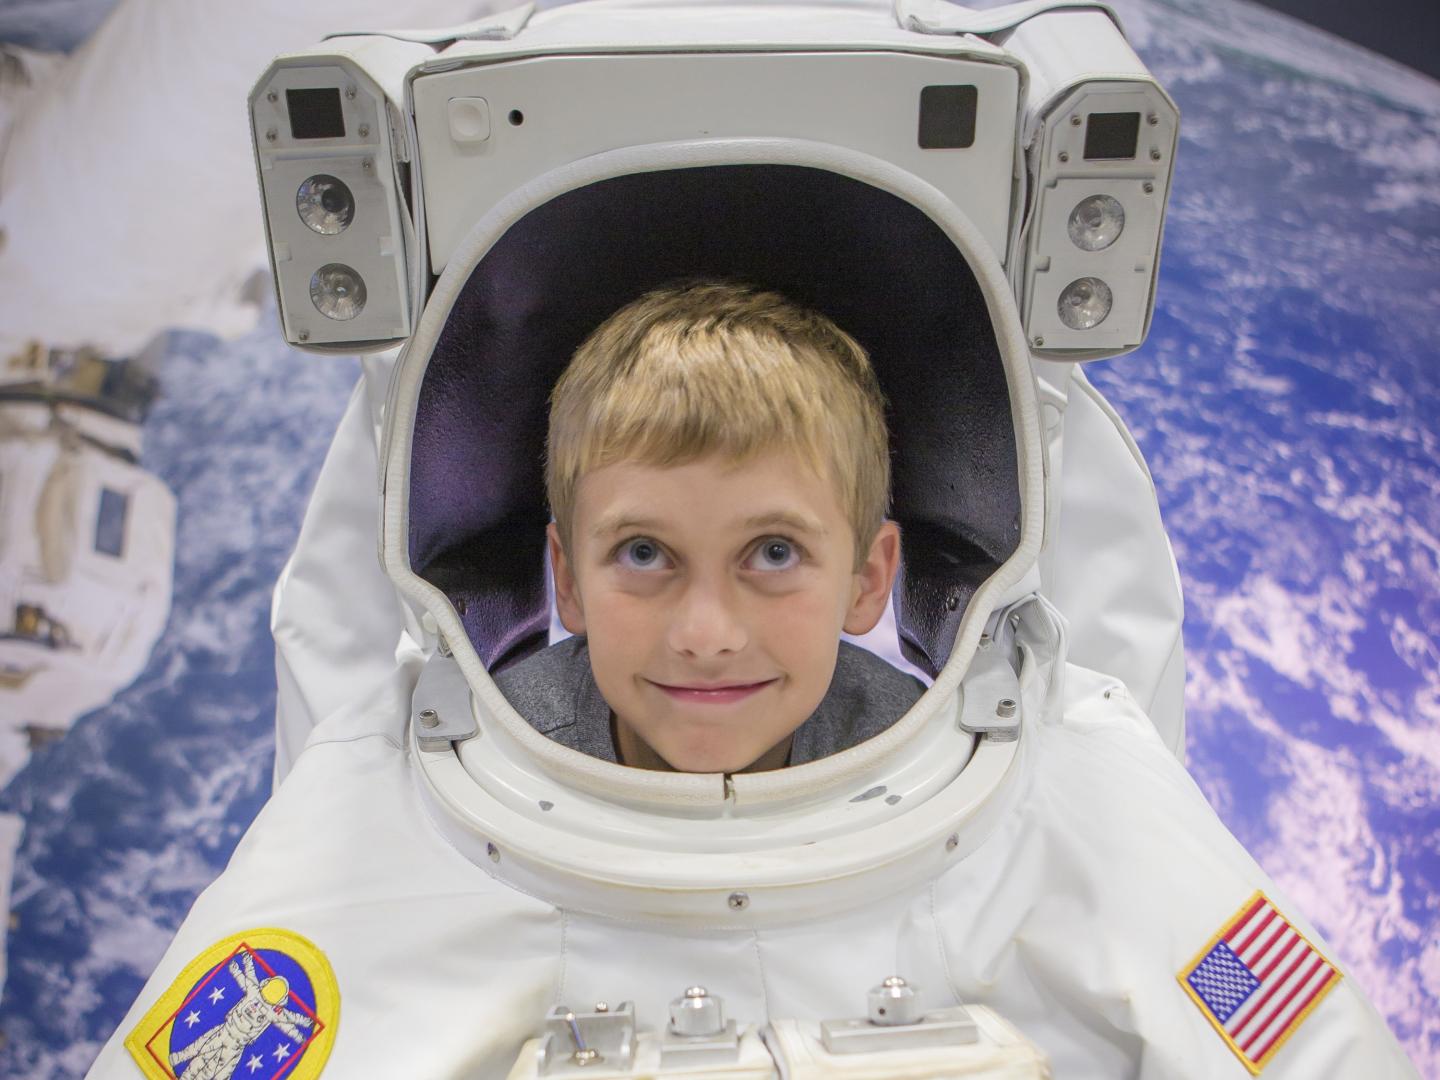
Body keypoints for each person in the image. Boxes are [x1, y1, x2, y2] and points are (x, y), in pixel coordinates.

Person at [494, 280, 925, 774]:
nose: (705, 635)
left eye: (775, 552)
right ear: (568, 582)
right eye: (643, 552)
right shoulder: (496, 748)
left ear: (866, 580)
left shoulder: (919, 752)